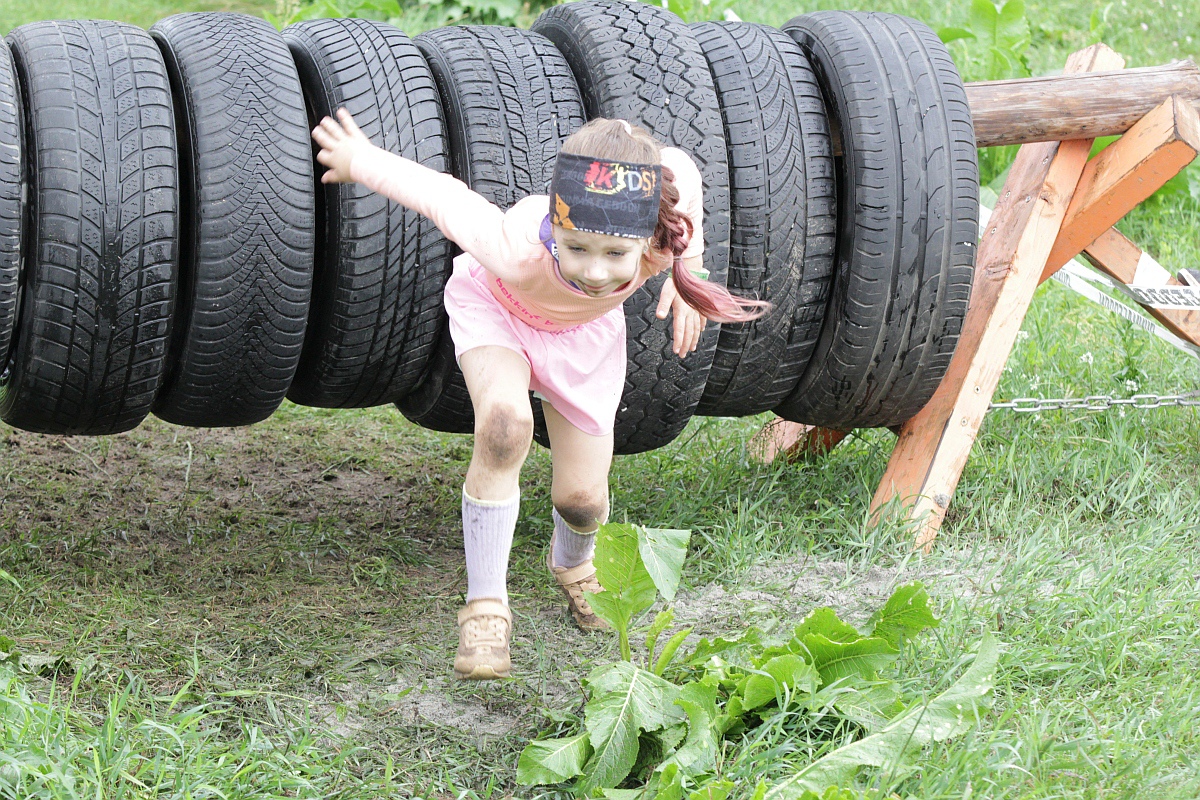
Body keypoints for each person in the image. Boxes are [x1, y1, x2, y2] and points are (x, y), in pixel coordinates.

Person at [311, 109, 768, 680]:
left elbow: (683, 172)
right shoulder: (516, 246)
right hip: (499, 314)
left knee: (583, 501)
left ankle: (574, 568)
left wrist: (689, 268)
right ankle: (485, 609)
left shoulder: (655, 239)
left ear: (647, 236)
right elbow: (444, 197)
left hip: (582, 339)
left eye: (614, 255)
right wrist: (362, 161)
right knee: (505, 427)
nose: (595, 273)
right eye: (576, 248)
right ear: (556, 219)